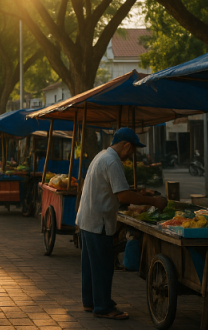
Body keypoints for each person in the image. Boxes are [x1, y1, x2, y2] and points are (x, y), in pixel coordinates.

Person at [76, 127, 167, 320]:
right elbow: (123, 195)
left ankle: (90, 302)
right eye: (132, 150)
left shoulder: (102, 156)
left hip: (87, 219)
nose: (132, 155)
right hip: (98, 221)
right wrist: (154, 201)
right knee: (102, 267)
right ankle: (103, 307)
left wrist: (140, 191)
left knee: (91, 266)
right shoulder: (112, 161)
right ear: (126, 145)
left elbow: (117, 188)